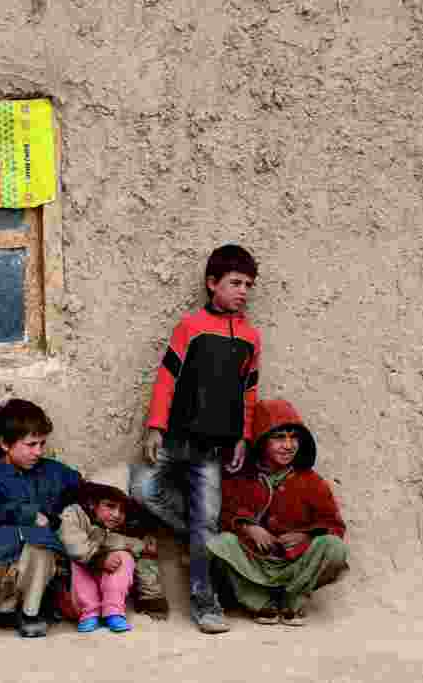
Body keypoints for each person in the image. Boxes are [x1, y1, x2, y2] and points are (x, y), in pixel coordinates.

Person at [132, 244, 261, 633]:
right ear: (212, 283)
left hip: (211, 450)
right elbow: (167, 378)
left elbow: (249, 393)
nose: (243, 291)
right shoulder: (190, 327)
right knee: (142, 488)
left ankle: (207, 606)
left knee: (207, 521)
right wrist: (155, 425)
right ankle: (201, 538)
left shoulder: (251, 338)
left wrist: (243, 437)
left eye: (249, 285)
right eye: (235, 283)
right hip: (174, 440)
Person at [207, 399, 348, 626]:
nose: (288, 445)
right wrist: (248, 527)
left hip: (296, 564)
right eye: (279, 437)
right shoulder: (242, 478)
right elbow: (224, 516)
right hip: (255, 562)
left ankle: (293, 599)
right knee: (220, 544)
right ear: (262, 441)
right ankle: (259, 602)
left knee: (334, 547)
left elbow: (335, 525)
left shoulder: (311, 481)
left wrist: (307, 536)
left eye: (294, 437)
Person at [0, 399, 81, 638]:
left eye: (42, 444)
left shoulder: (52, 472)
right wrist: (21, 515)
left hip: (33, 564)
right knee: (3, 538)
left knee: (41, 545)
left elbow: (84, 492)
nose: (38, 452)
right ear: (4, 443)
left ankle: (29, 612)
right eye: (31, 444)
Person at [57, 465, 169, 633]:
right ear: (92, 503)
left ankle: (114, 611)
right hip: (74, 597)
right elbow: (73, 544)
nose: (117, 514)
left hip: (108, 595)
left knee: (124, 557)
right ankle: (90, 612)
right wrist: (99, 560)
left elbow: (123, 544)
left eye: (122, 510)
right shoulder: (74, 514)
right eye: (110, 506)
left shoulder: (117, 529)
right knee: (77, 559)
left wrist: (152, 597)